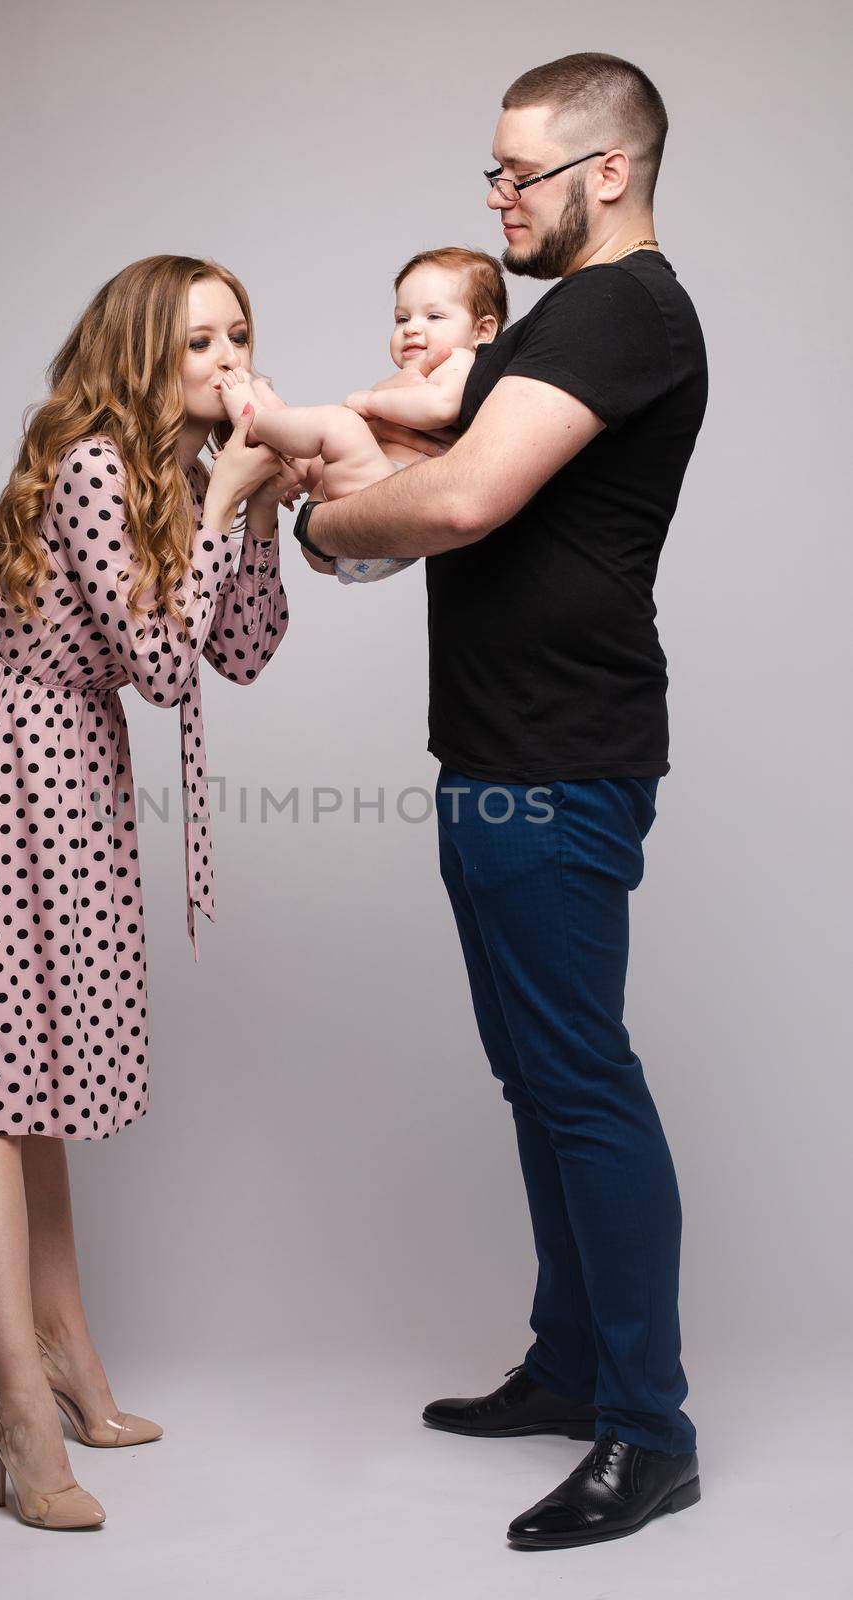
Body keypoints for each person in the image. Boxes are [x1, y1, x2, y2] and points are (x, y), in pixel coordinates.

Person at [292, 53, 708, 1551]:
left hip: (556, 763)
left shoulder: (622, 308)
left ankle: (645, 1434)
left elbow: (457, 499)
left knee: (577, 1079)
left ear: (605, 170)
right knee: (537, 1078)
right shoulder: (555, 327)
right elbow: (418, 429)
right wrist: (333, 473)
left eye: (513, 175)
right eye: (490, 173)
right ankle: (568, 1364)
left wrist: (320, 517)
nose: (494, 200)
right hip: (497, 755)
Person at [0, 254, 297, 1529]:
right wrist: (224, 514)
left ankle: (73, 1370)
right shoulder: (101, 462)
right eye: (200, 342)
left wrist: (252, 506)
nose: (228, 361)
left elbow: (244, 651)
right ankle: (18, 1409)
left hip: (68, 776)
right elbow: (162, 667)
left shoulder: (180, 472)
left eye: (239, 337)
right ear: (141, 356)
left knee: (37, 1077)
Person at [220, 247, 505, 584]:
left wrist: (371, 403)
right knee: (320, 448)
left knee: (339, 424)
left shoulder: (459, 362)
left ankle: (252, 419)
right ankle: (280, 446)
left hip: (387, 515)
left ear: (482, 331)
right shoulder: (409, 379)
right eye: (403, 318)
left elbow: (440, 405)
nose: (412, 329)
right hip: (353, 512)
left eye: (434, 317)